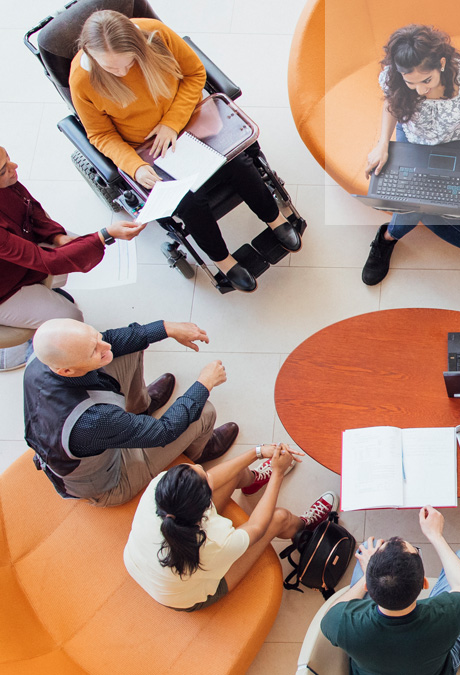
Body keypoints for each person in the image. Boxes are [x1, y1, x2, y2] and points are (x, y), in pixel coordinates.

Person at [69, 10, 304, 293]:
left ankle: (275, 218)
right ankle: (223, 260)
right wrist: (136, 166)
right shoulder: (82, 79)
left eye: (128, 63)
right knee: (189, 202)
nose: (121, 73)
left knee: (240, 164)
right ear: (91, 55)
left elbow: (195, 74)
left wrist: (171, 123)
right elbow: (101, 134)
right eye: (111, 67)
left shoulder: (155, 35)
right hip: (148, 149)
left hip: (189, 120)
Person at [361, 24, 460, 307]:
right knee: (416, 207)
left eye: (426, 80)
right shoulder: (393, 78)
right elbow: (390, 104)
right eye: (411, 83)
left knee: (426, 208)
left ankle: (386, 237)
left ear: (442, 64)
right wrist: (382, 143)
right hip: (412, 140)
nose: (419, 90)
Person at [23, 317, 239, 506]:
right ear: (66, 370)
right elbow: (164, 431)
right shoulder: (93, 420)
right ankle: (195, 453)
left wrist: (166, 328)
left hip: (98, 435)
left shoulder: (42, 358)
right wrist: (205, 383)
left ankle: (140, 410)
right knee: (204, 411)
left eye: (96, 336)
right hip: (111, 480)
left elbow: (112, 339)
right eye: (93, 351)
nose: (104, 345)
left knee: (129, 347)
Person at [123, 442, 336, 611]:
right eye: (203, 474)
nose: (200, 467)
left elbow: (212, 478)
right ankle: (303, 525)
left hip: (142, 564)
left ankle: (253, 481)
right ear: (205, 508)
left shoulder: (160, 487)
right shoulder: (215, 541)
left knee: (232, 473)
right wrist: (277, 473)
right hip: (184, 597)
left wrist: (258, 452)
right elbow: (258, 527)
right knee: (278, 517)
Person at [321, 506, 460, 675]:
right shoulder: (448, 615)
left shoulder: (342, 623)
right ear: (424, 583)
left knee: (365, 547)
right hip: (437, 666)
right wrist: (435, 535)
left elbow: (331, 613)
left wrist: (368, 574)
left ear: (368, 588)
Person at [1, 145, 144, 329]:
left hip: (20, 254)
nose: (15, 166)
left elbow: (29, 208)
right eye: (4, 170)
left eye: (8, 157)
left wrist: (56, 236)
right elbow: (46, 260)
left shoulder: (7, 183)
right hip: (5, 288)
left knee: (73, 246)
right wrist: (105, 235)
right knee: (71, 318)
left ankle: (45, 292)